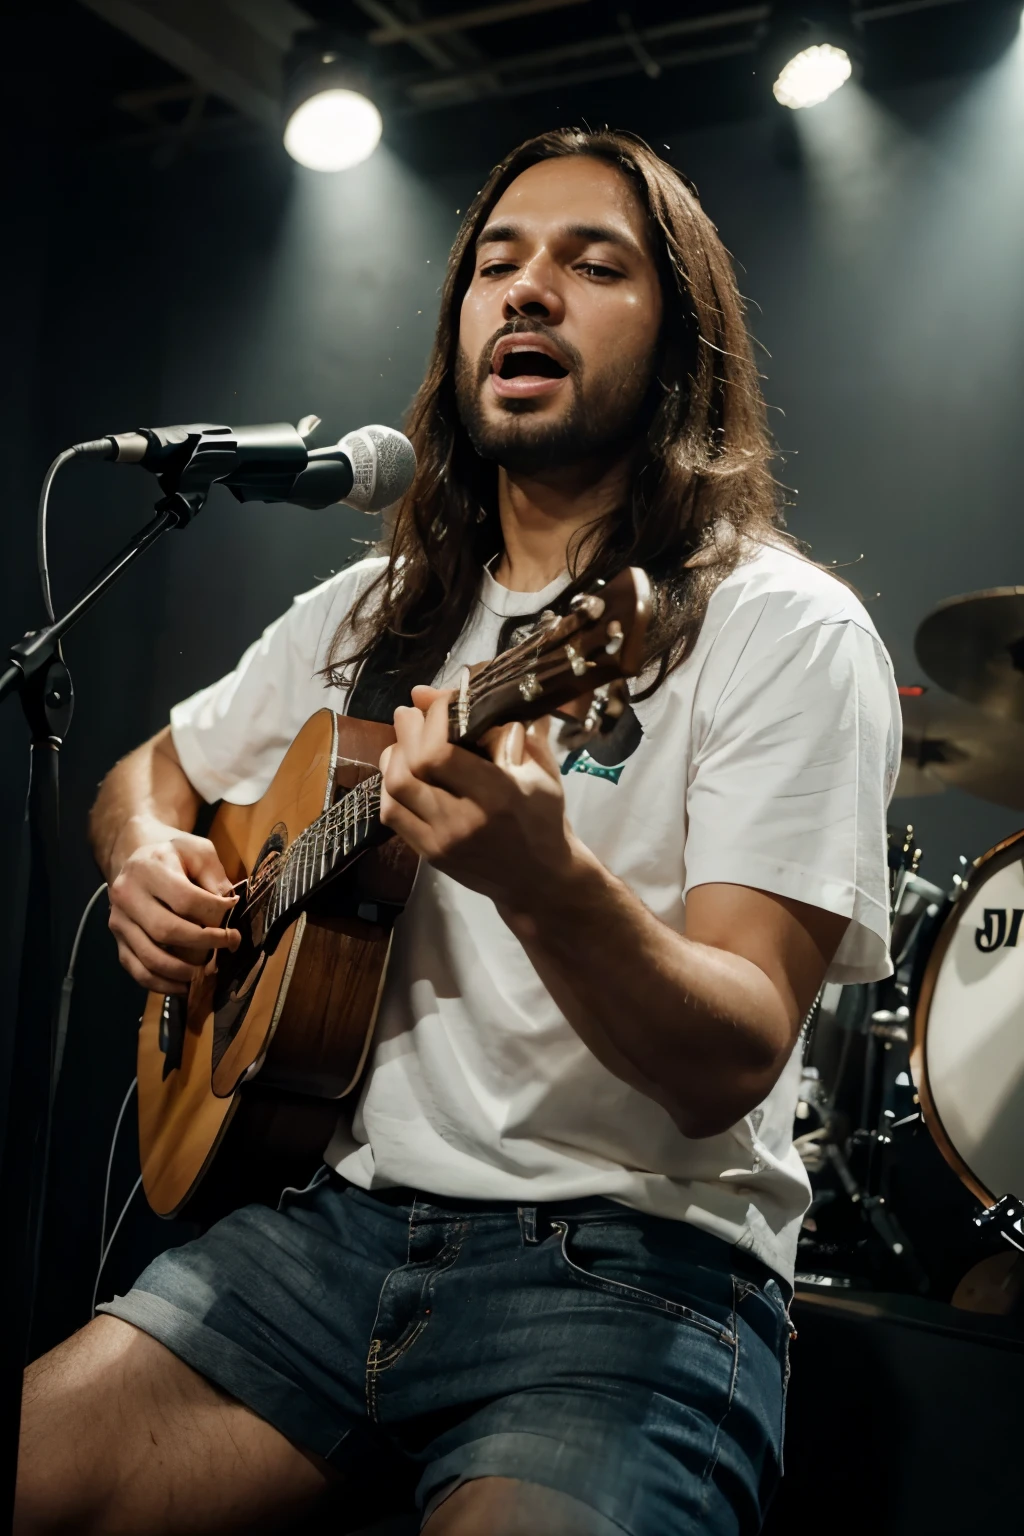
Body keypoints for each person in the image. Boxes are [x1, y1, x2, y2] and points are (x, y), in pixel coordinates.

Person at [16, 128, 900, 1536]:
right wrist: (143, 859)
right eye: (497, 263)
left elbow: (730, 1057)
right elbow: (150, 768)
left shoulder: (776, 630)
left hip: (632, 1280)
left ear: (683, 343)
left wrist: (546, 887)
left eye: (590, 263)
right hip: (327, 1234)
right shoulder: (374, 612)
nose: (527, 289)